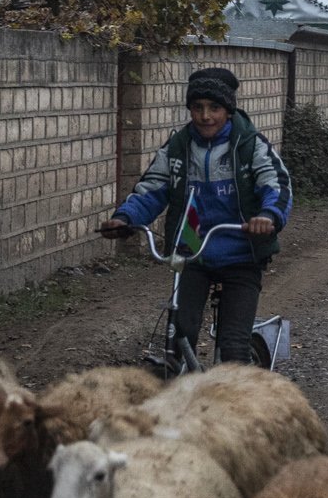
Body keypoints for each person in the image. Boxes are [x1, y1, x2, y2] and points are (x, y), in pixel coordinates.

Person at [99, 66, 292, 366]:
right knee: (179, 336)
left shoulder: (250, 146)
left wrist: (268, 216)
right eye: (198, 108)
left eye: (214, 108)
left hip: (243, 253)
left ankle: (240, 407)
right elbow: (152, 189)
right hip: (192, 254)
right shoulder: (178, 148)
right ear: (190, 109)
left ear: (228, 110)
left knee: (233, 346)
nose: (205, 116)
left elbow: (276, 185)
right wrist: (125, 218)